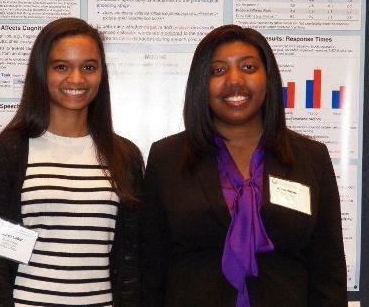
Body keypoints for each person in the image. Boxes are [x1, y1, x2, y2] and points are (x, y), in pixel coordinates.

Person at [140, 25, 347, 307]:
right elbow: (151, 267)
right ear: (202, 84)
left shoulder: (311, 158)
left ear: (268, 78)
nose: (235, 80)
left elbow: (328, 270)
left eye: (248, 67)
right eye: (218, 71)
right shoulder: (168, 157)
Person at [0, 18, 143, 307]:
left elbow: (131, 260)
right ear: (42, 72)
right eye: (61, 67)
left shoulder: (124, 156)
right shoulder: (7, 152)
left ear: (101, 74)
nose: (76, 79)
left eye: (88, 67)